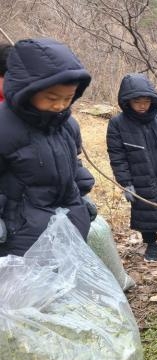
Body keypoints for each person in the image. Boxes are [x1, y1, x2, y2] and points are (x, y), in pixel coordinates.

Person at [0, 38, 97, 257]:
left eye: (68, 98)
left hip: (68, 221)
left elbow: (74, 161)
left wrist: (82, 194)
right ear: (27, 91)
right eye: (51, 98)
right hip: (22, 231)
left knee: (65, 283)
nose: (60, 105)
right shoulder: (4, 127)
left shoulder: (67, 124)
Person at [106, 73, 157, 262]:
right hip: (140, 178)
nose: (143, 105)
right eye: (137, 102)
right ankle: (151, 244)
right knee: (146, 211)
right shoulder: (118, 124)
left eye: (146, 101)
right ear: (127, 102)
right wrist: (126, 183)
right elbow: (117, 157)